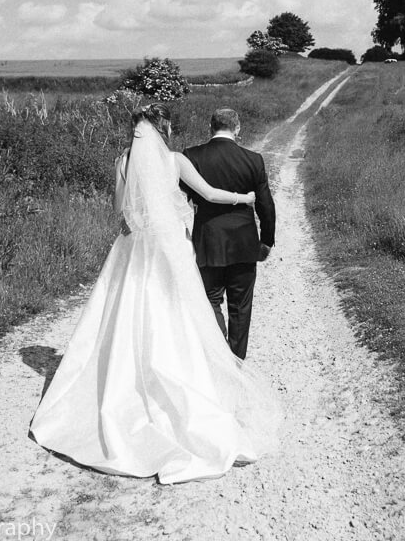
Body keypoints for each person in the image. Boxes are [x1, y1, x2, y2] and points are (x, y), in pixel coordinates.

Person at [30, 104, 280, 483]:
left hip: (135, 245)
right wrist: (245, 200)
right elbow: (210, 193)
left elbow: (119, 207)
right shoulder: (175, 160)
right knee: (179, 311)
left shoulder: (123, 160)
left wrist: (135, 210)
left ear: (134, 130)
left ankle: (127, 379)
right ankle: (198, 377)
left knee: (131, 308)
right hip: (170, 245)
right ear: (163, 126)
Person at [182, 109, 275, 360]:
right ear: (238, 128)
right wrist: (266, 241)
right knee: (241, 307)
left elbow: (180, 201)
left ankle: (218, 355)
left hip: (208, 241)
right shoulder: (253, 159)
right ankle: (237, 362)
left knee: (210, 301)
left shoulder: (192, 156)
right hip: (244, 243)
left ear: (210, 127)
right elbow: (265, 205)